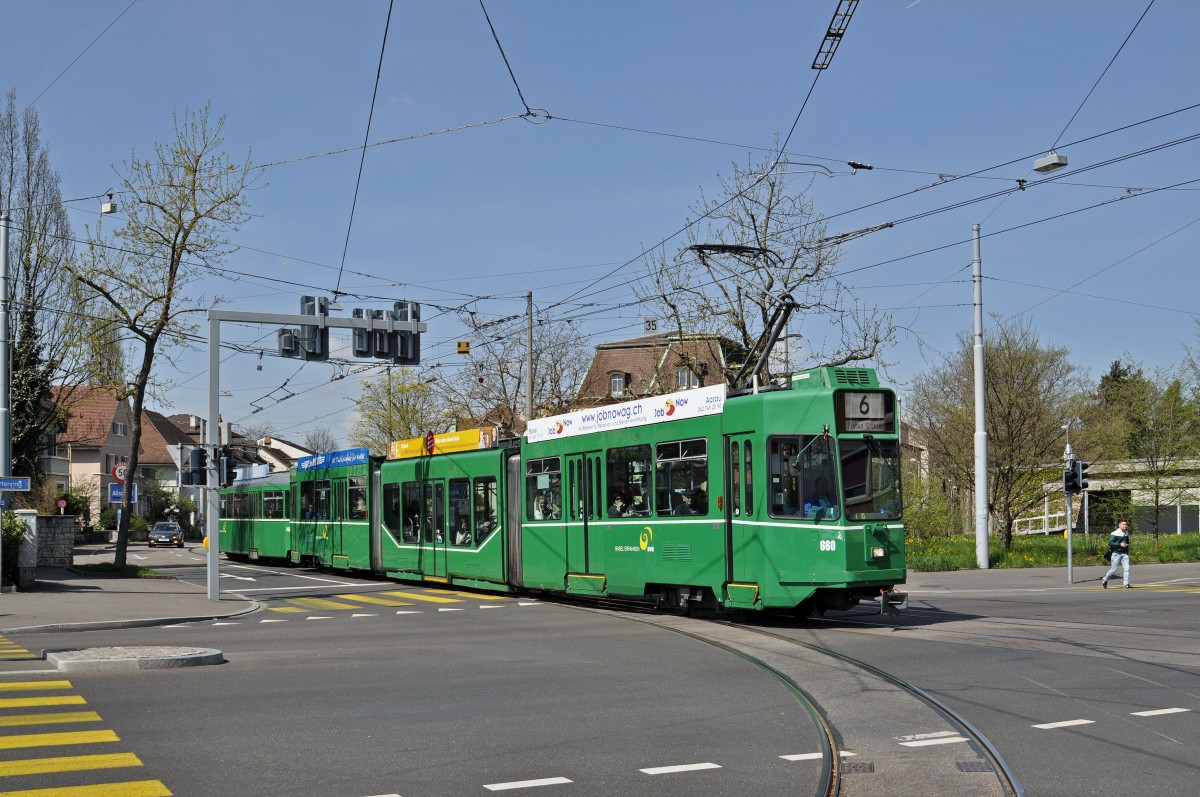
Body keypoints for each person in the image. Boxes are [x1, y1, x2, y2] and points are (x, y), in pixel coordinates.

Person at [1102, 519, 1132, 588]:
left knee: (1126, 568)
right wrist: (1119, 545)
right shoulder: (1115, 533)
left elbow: (1127, 542)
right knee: (1113, 569)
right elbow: (1110, 543)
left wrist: (1126, 550)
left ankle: (1126, 584)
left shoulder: (1126, 533)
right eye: (1123, 524)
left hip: (1124, 553)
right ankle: (1105, 579)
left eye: (1126, 524)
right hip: (1116, 553)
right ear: (1119, 525)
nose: (1125, 526)